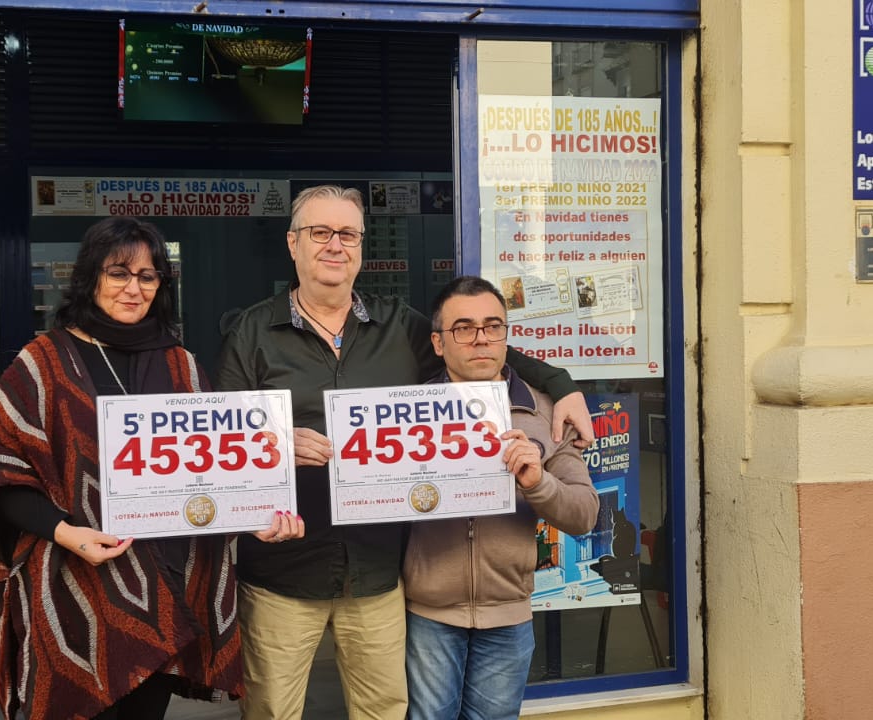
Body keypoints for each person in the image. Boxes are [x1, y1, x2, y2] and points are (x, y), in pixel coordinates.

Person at [216, 185, 595, 720]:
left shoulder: (403, 328)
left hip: (377, 572)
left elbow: (474, 346)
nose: (334, 245)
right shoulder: (252, 332)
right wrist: (274, 447)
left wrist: (560, 381)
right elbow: (223, 445)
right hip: (282, 572)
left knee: (384, 713)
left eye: (347, 234)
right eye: (320, 232)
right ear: (292, 244)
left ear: (362, 247)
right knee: (272, 712)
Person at [0, 217, 304, 720]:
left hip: (161, 591)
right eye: (119, 273)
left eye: (148, 276)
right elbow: (1, 472)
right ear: (89, 277)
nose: (134, 288)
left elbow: (215, 473)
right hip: (73, 589)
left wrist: (253, 513)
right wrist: (66, 533)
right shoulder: (41, 366)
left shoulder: (181, 366)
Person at [401, 276, 599, 720]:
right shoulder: (404, 411)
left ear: (506, 336)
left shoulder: (545, 411)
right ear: (438, 342)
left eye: (493, 327)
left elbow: (585, 514)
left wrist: (537, 483)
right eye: (464, 328)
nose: (481, 339)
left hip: (509, 616)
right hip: (428, 614)